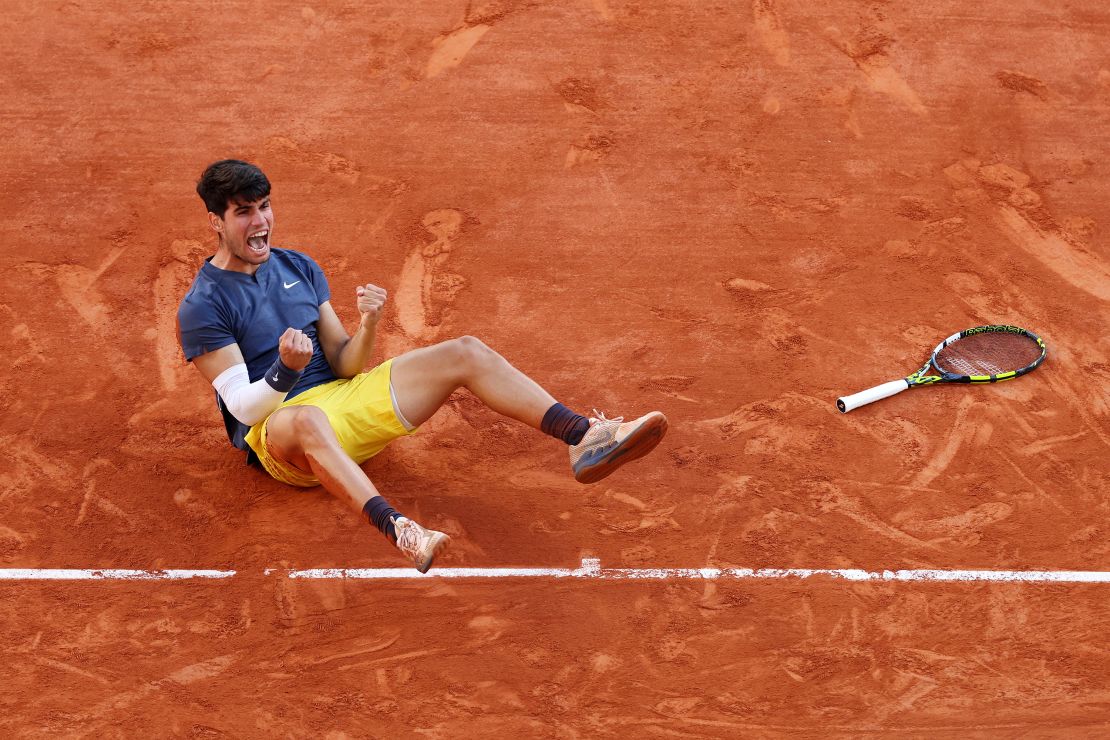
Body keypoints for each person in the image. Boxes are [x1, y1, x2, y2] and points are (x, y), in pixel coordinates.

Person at [176, 159, 667, 573]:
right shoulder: (203, 306)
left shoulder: (298, 267)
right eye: (243, 213)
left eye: (264, 207)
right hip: (283, 435)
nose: (259, 222)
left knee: (465, 351)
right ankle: (401, 530)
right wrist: (283, 370)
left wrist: (367, 325)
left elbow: (347, 366)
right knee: (306, 418)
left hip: (343, 404)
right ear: (216, 221)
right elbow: (243, 410)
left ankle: (583, 436)